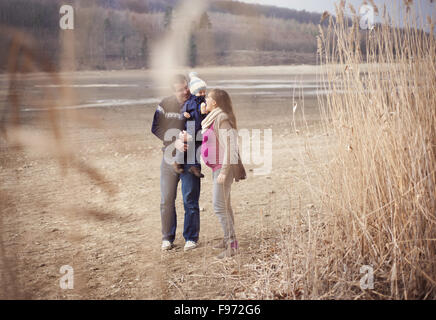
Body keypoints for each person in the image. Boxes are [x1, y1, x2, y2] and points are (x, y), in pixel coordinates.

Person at [151, 74, 201, 252]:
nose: (185, 91)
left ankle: (191, 238)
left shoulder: (199, 102)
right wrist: (174, 141)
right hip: (169, 157)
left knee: (190, 199)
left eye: (186, 87)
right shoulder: (165, 104)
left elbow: (208, 130)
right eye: (180, 90)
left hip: (191, 158)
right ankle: (167, 238)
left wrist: (192, 137)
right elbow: (155, 128)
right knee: (166, 200)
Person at [200, 89, 247, 259]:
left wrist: (224, 171)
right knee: (225, 205)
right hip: (217, 168)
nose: (205, 99)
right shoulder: (213, 117)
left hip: (222, 168)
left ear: (216, 102)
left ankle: (232, 245)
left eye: (208, 98)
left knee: (219, 207)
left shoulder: (222, 118)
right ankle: (228, 239)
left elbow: (231, 146)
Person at [173, 72, 208, 178]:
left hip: (199, 128)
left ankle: (194, 166)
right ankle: (177, 162)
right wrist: (185, 115)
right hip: (190, 126)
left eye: (203, 91)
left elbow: (206, 114)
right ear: (194, 91)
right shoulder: (190, 102)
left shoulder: (204, 101)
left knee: (198, 147)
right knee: (185, 144)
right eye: (199, 92)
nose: (202, 94)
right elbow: (183, 113)